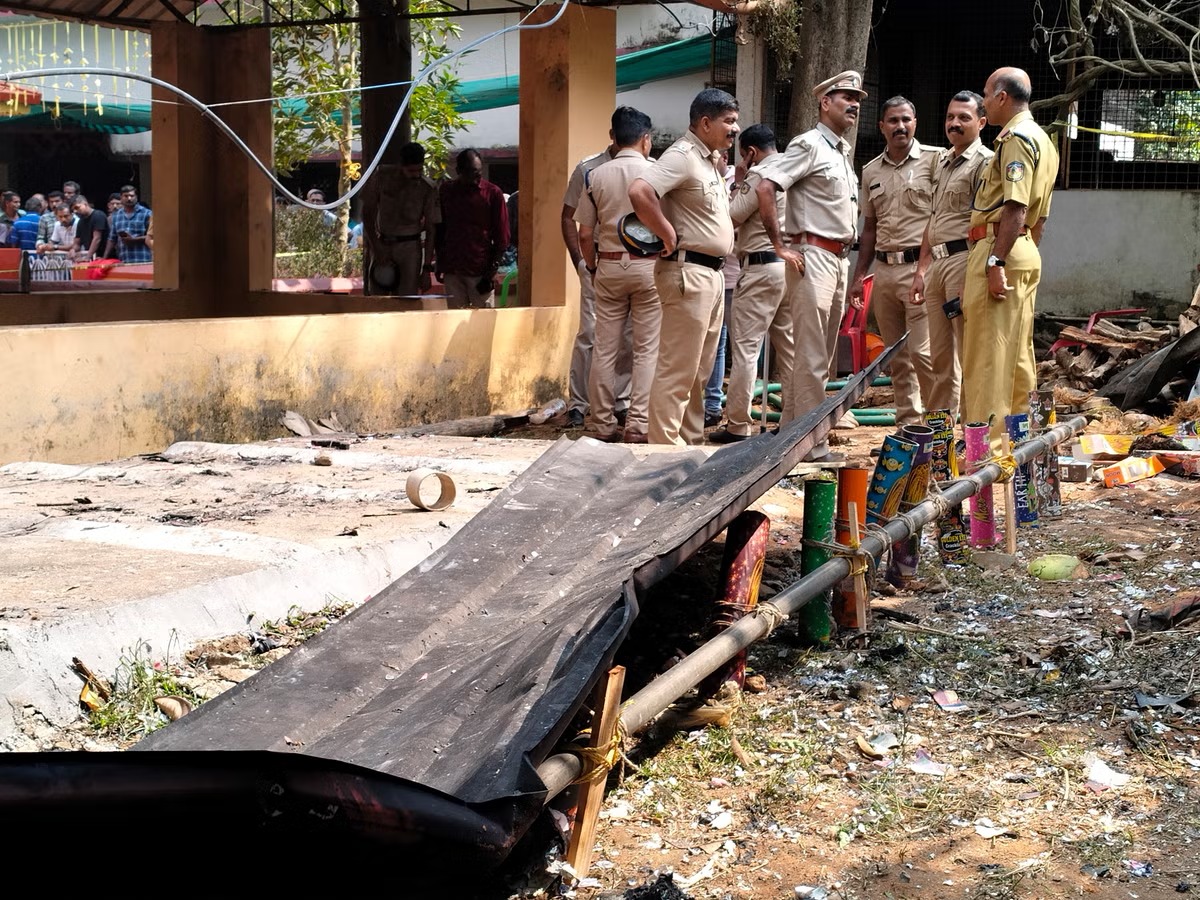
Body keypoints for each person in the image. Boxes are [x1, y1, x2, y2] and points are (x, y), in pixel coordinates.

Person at [755, 71, 865, 462]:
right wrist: (779, 245)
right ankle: (810, 443)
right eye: (845, 97)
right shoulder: (810, 145)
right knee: (812, 356)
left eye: (857, 98)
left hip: (837, 258)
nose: (853, 104)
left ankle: (791, 434)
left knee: (819, 354)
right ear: (825, 102)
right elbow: (766, 185)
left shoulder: (840, 152)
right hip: (812, 255)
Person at [629, 88, 740, 446]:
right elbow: (640, 191)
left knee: (700, 371)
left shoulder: (708, 161)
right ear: (705, 123)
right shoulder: (683, 155)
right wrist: (667, 234)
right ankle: (664, 449)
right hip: (686, 273)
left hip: (711, 274)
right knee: (679, 368)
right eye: (729, 121)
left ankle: (688, 443)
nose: (735, 129)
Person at [963, 67, 1058, 450]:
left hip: (999, 246)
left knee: (987, 360)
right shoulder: (1044, 141)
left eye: (986, 95)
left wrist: (996, 262)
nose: (984, 102)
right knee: (1018, 358)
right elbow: (1041, 217)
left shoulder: (1015, 139)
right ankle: (1021, 448)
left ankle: (985, 455)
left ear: (1002, 97)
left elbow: (1015, 207)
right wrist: (1022, 251)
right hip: (1023, 249)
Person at [848, 96, 938, 427]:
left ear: (915, 123)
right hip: (884, 271)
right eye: (893, 121)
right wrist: (860, 276)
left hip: (921, 269)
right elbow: (869, 228)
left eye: (906, 120)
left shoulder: (934, 161)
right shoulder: (871, 170)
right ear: (881, 126)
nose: (900, 126)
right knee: (896, 357)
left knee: (923, 354)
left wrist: (925, 270)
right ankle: (908, 429)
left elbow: (937, 219)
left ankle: (939, 428)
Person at [573, 107, 660, 444]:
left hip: (608, 265)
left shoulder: (595, 176)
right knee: (646, 349)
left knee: (604, 348)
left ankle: (602, 423)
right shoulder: (656, 173)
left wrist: (593, 266)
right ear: (646, 139)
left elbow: (584, 234)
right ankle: (638, 425)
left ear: (614, 137)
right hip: (648, 267)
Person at [709, 124, 795, 444]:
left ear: (751, 152)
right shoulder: (794, 168)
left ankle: (737, 425)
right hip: (790, 269)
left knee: (746, 350)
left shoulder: (759, 175)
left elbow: (731, 216)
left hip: (760, 268)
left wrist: (740, 180)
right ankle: (793, 420)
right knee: (789, 349)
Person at [910, 91, 994, 417]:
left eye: (964, 117)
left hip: (964, 262)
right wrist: (921, 270)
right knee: (940, 357)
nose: (954, 123)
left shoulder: (984, 163)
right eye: (950, 117)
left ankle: (973, 432)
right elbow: (933, 219)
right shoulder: (943, 162)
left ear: (982, 122)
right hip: (937, 266)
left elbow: (984, 224)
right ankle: (939, 435)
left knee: (968, 352)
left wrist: (975, 275)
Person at [562, 112, 628, 428]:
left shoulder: (646, 168)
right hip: (596, 261)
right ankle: (578, 403)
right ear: (612, 134)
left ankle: (621, 403)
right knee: (590, 333)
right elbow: (568, 217)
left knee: (628, 336)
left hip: (631, 261)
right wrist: (580, 261)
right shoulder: (589, 168)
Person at [360, 142, 440, 295]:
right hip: (382, 242)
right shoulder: (382, 176)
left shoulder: (427, 188)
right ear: (401, 165)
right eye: (411, 170)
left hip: (410, 247)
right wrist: (376, 247)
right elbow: (367, 213)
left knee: (407, 300)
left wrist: (426, 269)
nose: (415, 175)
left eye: (419, 170)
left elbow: (431, 229)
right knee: (377, 299)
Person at [435, 148, 509, 309]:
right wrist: (439, 263)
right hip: (453, 268)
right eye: (472, 173)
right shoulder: (446, 191)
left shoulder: (493, 194)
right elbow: (440, 229)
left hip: (480, 270)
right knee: (454, 320)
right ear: (459, 171)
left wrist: (490, 274)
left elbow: (502, 237)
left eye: (479, 172)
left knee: (483, 323)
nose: (477, 177)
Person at [105, 185, 152, 263]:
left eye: (131, 196)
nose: (129, 198)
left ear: (136, 197)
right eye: (126, 196)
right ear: (121, 198)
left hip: (144, 259)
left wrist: (134, 240)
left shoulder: (147, 213)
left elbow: (153, 236)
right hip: (124, 260)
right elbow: (112, 239)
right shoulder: (116, 216)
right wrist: (104, 257)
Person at [71, 195, 110, 261]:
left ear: (85, 203)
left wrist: (88, 257)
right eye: (73, 210)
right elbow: (77, 242)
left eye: (77, 207)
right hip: (92, 256)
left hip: (103, 256)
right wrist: (73, 250)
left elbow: (97, 238)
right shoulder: (80, 221)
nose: (75, 211)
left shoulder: (98, 215)